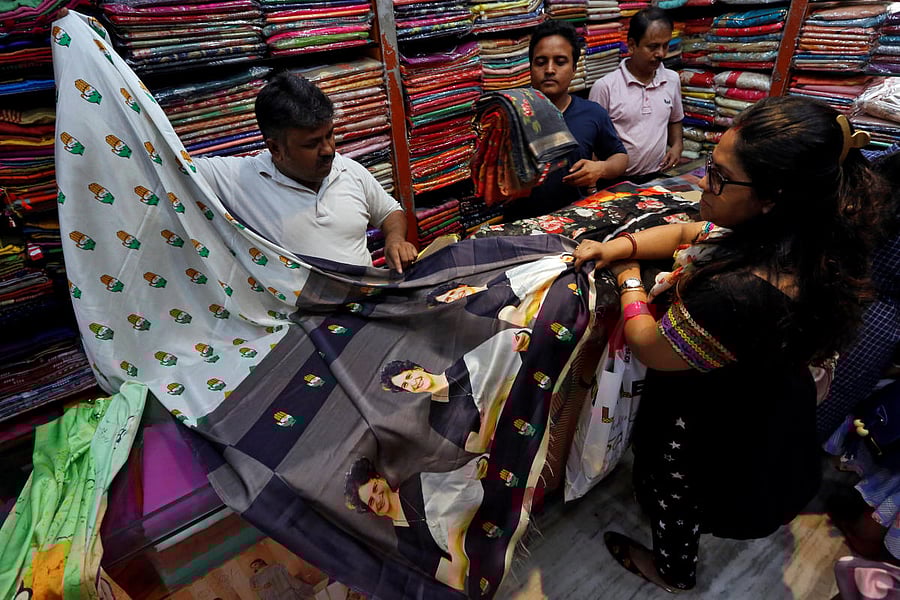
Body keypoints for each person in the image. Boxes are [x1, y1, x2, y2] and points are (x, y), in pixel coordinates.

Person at [572, 96, 886, 591]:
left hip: (713, 428)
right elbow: (688, 230)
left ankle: (673, 569)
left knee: (678, 492)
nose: (703, 183)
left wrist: (630, 280)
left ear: (772, 195)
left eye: (718, 177)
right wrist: (617, 245)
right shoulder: (801, 239)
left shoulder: (740, 291)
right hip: (768, 401)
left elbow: (650, 346)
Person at [194, 72, 418, 272]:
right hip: (296, 316)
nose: (328, 150)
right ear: (275, 149)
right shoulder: (239, 179)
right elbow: (169, 164)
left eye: (330, 135)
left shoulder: (348, 170)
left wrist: (395, 240)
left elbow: (390, 212)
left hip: (363, 305)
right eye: (312, 144)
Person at [504, 20, 627, 221]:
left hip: (574, 221)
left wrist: (600, 169)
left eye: (560, 62)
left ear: (574, 68)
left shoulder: (592, 113)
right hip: (519, 224)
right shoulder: (510, 112)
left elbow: (620, 158)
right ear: (531, 66)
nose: (550, 69)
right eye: (541, 62)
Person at [344, 455, 488, 591]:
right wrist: (455, 544)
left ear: (380, 479)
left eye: (375, 489)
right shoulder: (405, 543)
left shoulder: (415, 483)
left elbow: (458, 486)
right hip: (476, 553)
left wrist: (479, 466)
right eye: (371, 502)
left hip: (482, 510)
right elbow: (453, 577)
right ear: (371, 510)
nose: (378, 499)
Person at [380, 328, 528, 453]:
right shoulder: (437, 417)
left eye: (409, 376)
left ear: (417, 369)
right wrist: (493, 406)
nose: (413, 383)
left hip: (529, 382)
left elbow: (509, 338)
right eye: (406, 385)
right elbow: (477, 446)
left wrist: (523, 337)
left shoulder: (465, 363)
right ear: (407, 392)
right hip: (518, 427)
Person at [589, 8, 684, 182]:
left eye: (665, 45)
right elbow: (593, 141)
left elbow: (675, 118)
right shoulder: (605, 87)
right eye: (653, 47)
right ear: (632, 45)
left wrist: (677, 146)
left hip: (657, 176)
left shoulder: (671, 79)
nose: (661, 54)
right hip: (614, 181)